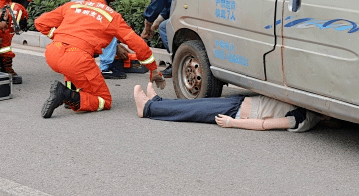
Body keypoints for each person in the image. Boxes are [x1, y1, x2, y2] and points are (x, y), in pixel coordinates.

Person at [35, 0, 167, 118]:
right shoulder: (112, 16)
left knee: (72, 67)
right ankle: (67, 95)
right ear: (110, 0)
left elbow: (40, 23)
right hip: (77, 59)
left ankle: (73, 93)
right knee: (104, 100)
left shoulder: (72, 6)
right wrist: (153, 69)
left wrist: (58, 37)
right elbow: (138, 45)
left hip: (52, 53)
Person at [133, 82, 322, 132]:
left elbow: (266, 125)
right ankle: (157, 102)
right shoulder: (306, 109)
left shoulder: (301, 119)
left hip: (236, 112)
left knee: (191, 111)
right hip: (239, 103)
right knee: (194, 105)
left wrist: (233, 123)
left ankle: (148, 109)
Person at [70, 0, 128, 79]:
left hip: (71, 31)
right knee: (109, 31)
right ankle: (106, 68)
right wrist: (116, 45)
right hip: (80, 32)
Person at [136, 0, 187, 78]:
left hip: (188, 7)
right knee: (163, 24)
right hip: (192, 5)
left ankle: (178, 64)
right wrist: (154, 25)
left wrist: (147, 30)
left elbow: (155, 7)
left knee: (165, 27)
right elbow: (167, 5)